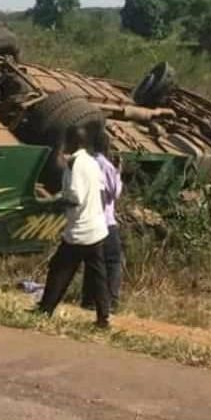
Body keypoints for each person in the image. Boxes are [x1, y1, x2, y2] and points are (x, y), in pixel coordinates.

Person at [37, 127, 111, 328]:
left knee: (59, 269)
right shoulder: (92, 162)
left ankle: (46, 308)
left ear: (73, 143)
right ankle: (103, 317)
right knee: (98, 276)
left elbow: (75, 196)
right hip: (97, 228)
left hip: (80, 230)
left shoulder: (76, 164)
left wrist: (57, 201)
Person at [82, 132, 123, 313]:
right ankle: (111, 300)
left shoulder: (87, 163)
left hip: (89, 219)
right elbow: (115, 193)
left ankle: (89, 299)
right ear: (107, 147)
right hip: (106, 221)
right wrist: (118, 173)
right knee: (113, 261)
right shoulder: (106, 166)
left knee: (93, 261)